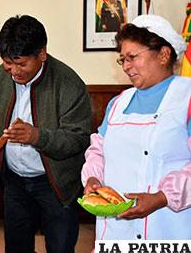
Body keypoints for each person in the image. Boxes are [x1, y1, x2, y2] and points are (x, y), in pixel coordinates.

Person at [0, 15, 92, 253]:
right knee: (16, 246)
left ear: (42, 53)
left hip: (56, 184)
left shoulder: (68, 83)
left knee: (60, 247)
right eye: (7, 63)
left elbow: (78, 138)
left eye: (21, 64)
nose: (13, 71)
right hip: (14, 182)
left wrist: (36, 137)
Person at [82, 14, 191, 240]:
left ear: (163, 54)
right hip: (116, 230)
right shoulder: (118, 103)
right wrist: (93, 178)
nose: (126, 66)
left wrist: (162, 197)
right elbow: (98, 150)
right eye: (122, 59)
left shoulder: (186, 98)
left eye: (132, 57)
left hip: (168, 227)